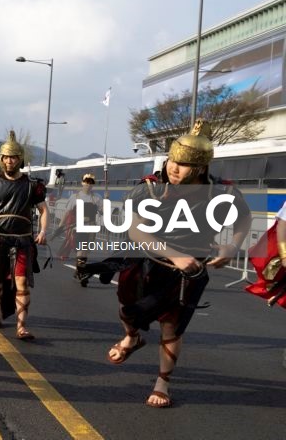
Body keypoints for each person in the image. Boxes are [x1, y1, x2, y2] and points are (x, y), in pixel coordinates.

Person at [106, 120, 251, 408]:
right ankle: (132, 338)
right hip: (145, 262)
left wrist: (232, 247)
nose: (174, 168)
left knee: (172, 327)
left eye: (183, 164)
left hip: (189, 272)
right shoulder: (150, 187)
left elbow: (243, 219)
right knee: (127, 311)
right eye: (172, 160)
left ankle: (162, 383)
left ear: (200, 168)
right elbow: (136, 230)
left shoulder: (222, 193)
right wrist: (175, 255)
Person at [0, 131, 48, 340]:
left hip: (22, 241)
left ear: (20, 159)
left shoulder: (32, 185)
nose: (9, 161)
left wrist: (43, 231)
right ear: (1, 159)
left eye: (13, 157)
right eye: (6, 157)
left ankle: (21, 325)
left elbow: (44, 210)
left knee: (22, 283)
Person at [63, 173, 103, 287]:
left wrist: (106, 200)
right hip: (78, 227)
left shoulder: (97, 198)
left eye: (91, 183)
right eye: (86, 182)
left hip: (91, 228)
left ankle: (78, 271)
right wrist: (61, 225)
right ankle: (81, 273)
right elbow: (67, 212)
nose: (88, 185)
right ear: (82, 183)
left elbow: (102, 212)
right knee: (81, 250)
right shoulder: (75, 197)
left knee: (85, 252)